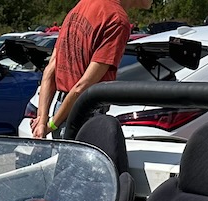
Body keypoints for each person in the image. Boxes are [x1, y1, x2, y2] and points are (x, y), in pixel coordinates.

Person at [32, 0, 154, 138]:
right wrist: (52, 124)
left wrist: (42, 120)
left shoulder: (80, 7)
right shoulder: (117, 20)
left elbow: (50, 69)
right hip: (85, 115)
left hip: (62, 109)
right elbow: (83, 87)